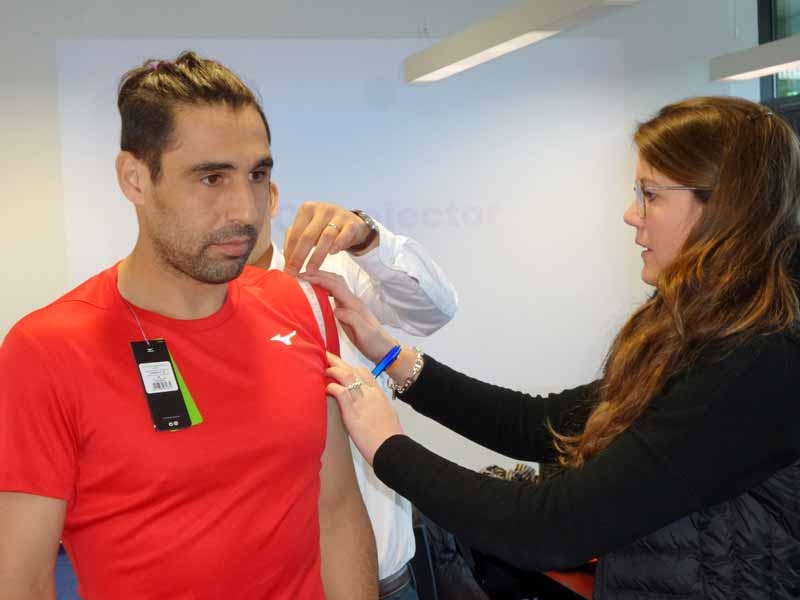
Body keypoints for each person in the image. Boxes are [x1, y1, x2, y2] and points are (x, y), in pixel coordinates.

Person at [306, 96, 800, 599]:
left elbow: (550, 528)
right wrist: (391, 356)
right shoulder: (696, 330)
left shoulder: (759, 359)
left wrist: (388, 447)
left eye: (650, 194)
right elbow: (544, 424)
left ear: (723, 207)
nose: (631, 214)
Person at [0, 51, 377, 599]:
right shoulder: (47, 349)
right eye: (211, 178)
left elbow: (336, 507)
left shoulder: (297, 305)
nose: (245, 210)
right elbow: (22, 580)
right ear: (134, 179)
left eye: (257, 175)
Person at [248, 189, 458, 600]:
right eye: (211, 180)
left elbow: (435, 309)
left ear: (271, 196)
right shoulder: (181, 316)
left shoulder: (329, 272)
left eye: (252, 177)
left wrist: (368, 238)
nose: (231, 204)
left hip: (383, 581)